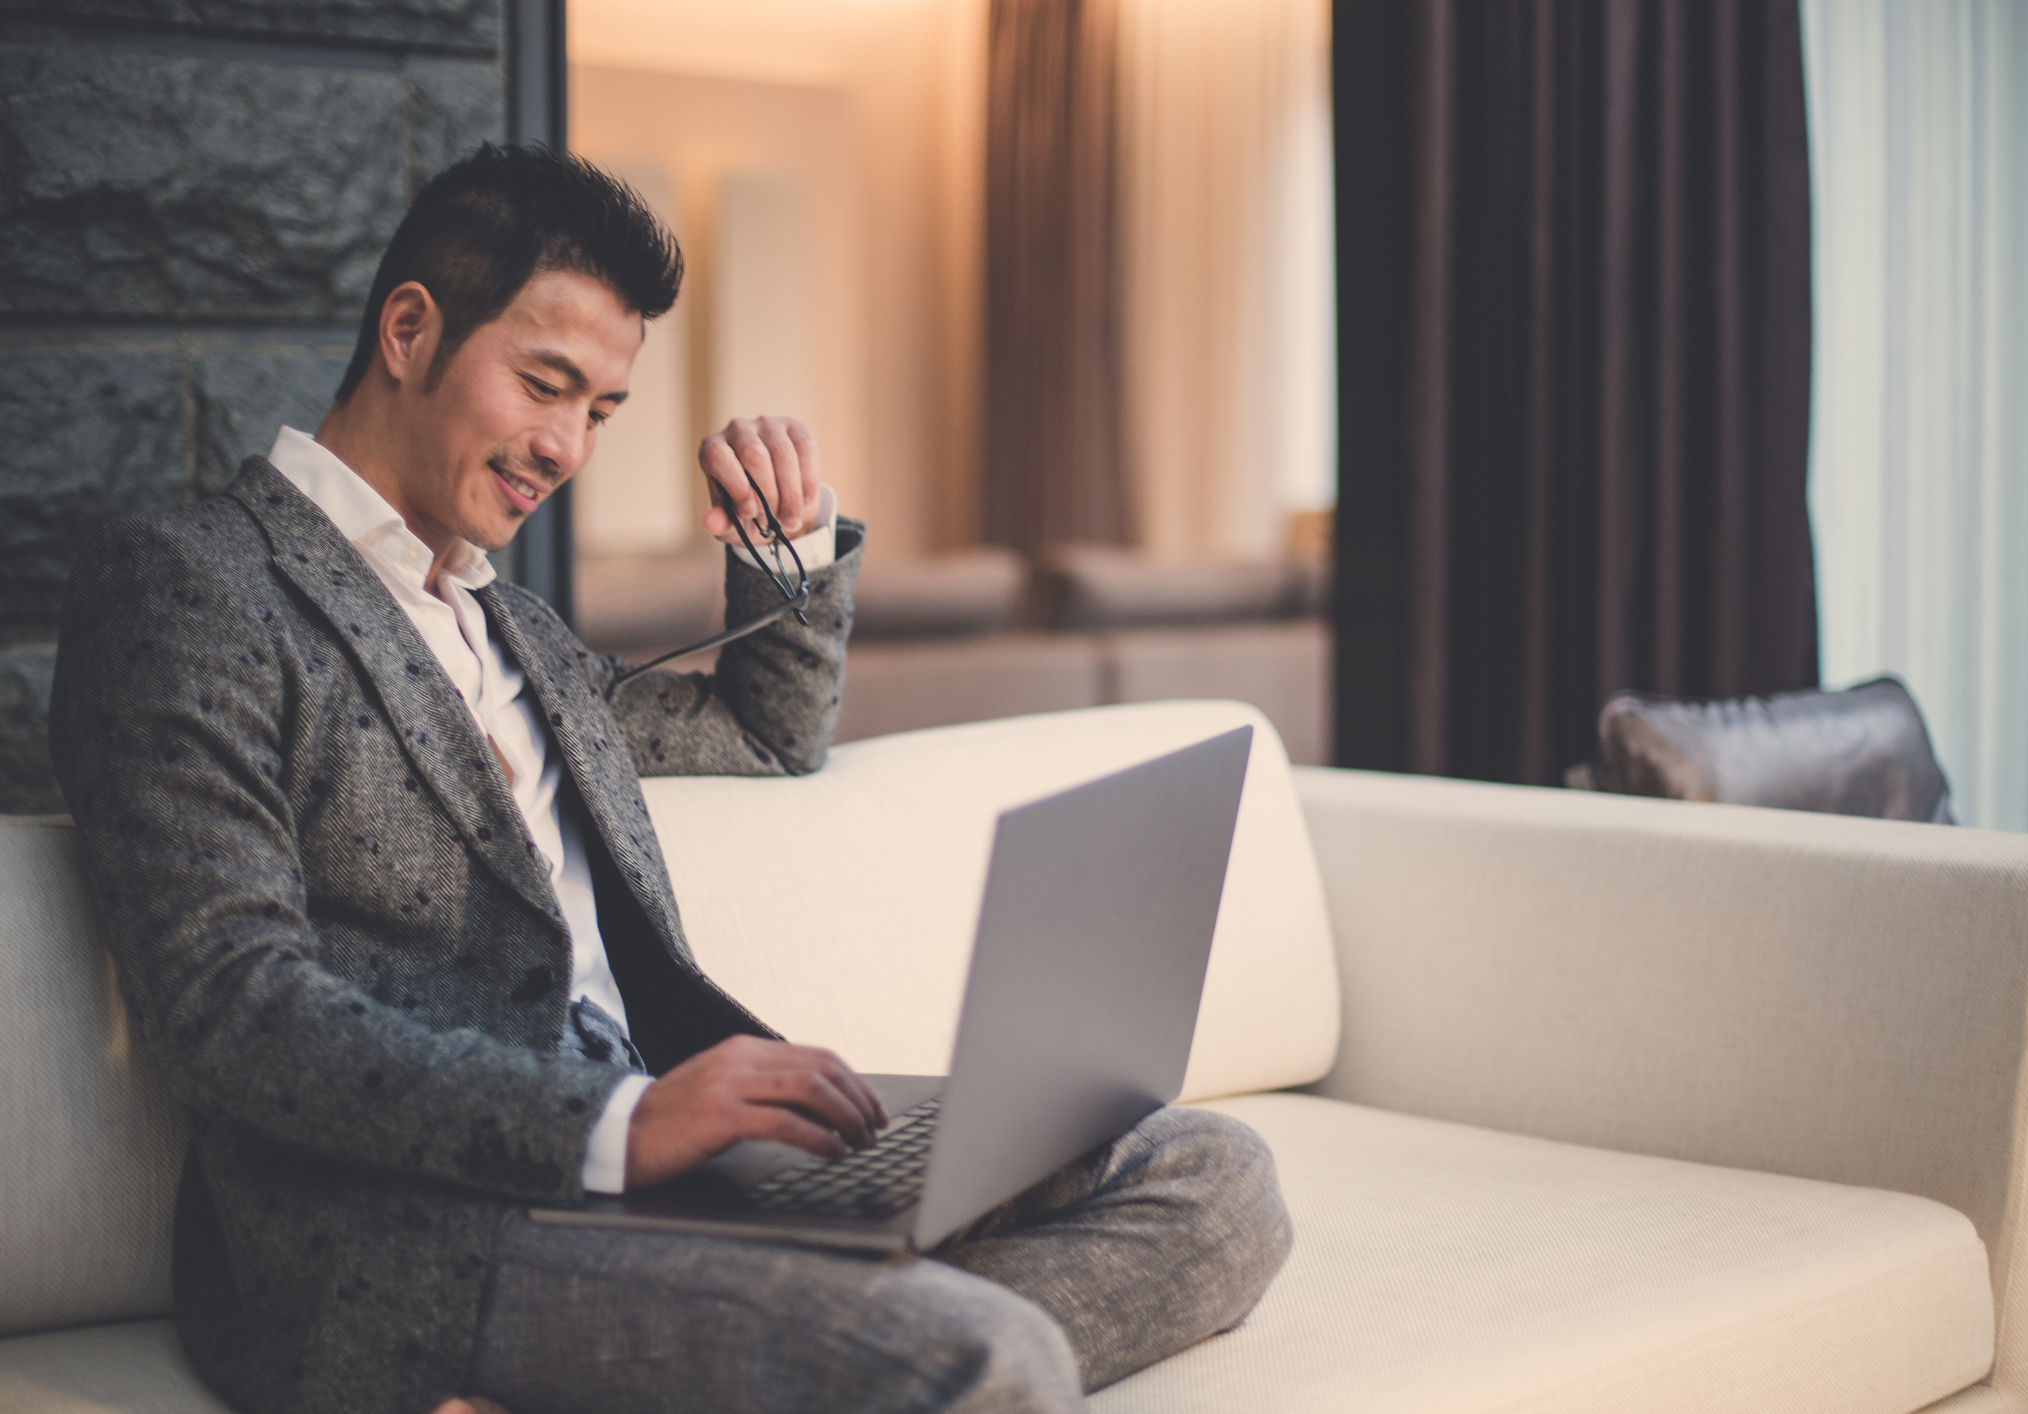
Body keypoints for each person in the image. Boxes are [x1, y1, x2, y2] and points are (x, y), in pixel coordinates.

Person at [50, 144, 1290, 1414]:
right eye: (545, 384)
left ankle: (826, 1356)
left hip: (678, 1186)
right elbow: (233, 1011)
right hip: (441, 1230)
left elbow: (765, 734)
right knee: (983, 1356)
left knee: (1214, 1177)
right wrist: (619, 1122)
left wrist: (786, 541)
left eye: (599, 410)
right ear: (411, 330)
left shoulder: (515, 630)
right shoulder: (195, 588)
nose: (566, 447)